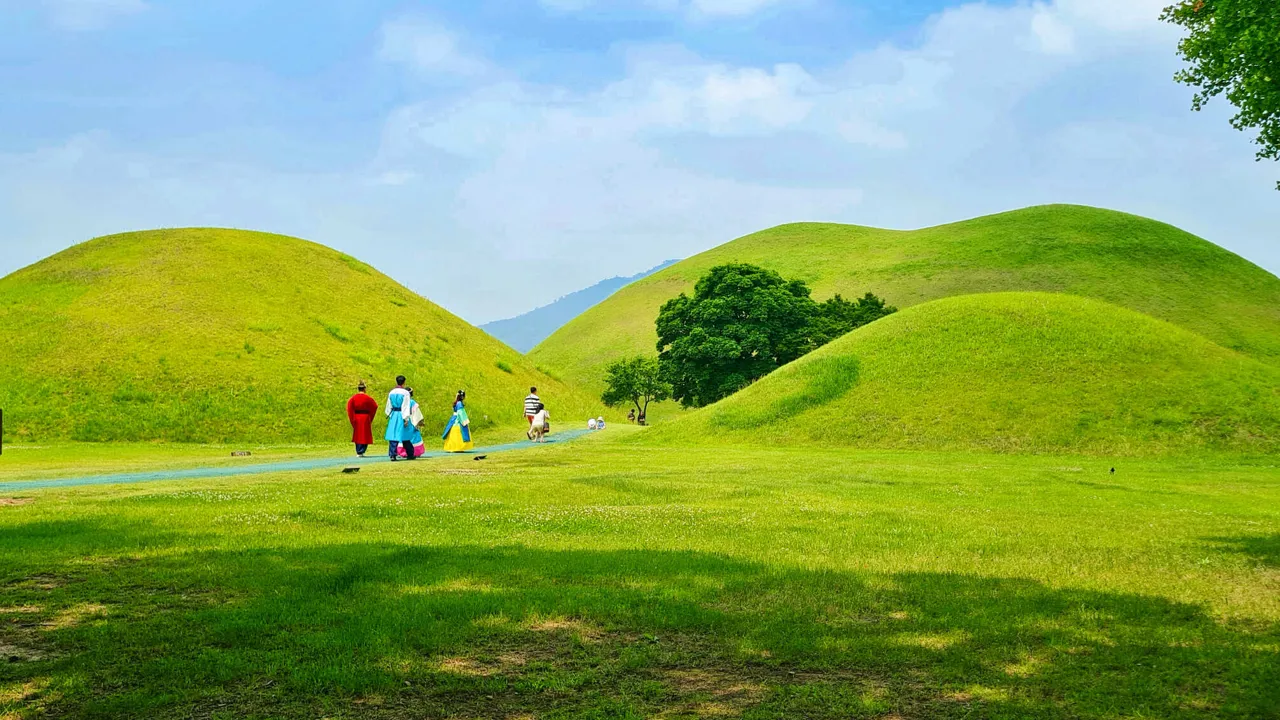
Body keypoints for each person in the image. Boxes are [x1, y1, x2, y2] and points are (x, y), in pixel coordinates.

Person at [346, 381, 379, 456]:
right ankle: (362, 450)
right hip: (365, 417)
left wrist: (352, 418)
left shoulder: (353, 398)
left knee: (358, 434)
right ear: (364, 389)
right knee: (365, 434)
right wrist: (370, 416)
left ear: (358, 389)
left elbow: (349, 408)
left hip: (357, 417)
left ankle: (358, 450)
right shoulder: (368, 398)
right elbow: (374, 406)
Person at [385, 375, 412, 460]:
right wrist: (406, 418)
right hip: (401, 414)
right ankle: (410, 453)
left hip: (394, 414)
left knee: (393, 435)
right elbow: (405, 406)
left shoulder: (391, 392)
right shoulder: (405, 393)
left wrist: (389, 413)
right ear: (404, 382)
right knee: (405, 435)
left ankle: (392, 454)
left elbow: (388, 405)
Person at [396, 388, 426, 459]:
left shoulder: (401, 402)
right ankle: (415, 452)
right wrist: (418, 422)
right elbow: (416, 413)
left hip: (403, 421)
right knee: (413, 437)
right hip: (412, 421)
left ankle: (402, 451)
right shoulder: (412, 402)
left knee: (403, 436)